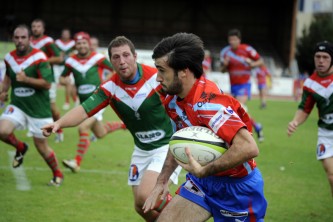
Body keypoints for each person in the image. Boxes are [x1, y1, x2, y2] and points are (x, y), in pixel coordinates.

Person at [42, 36, 182, 221]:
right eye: (116, 57)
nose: (122, 61)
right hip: (141, 150)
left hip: (166, 147)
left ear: (135, 56)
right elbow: (84, 110)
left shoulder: (156, 78)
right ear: (110, 61)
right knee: (141, 207)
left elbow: (183, 94)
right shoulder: (110, 88)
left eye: (126, 55)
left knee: (145, 195)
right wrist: (58, 123)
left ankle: (188, 211)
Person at [142, 33, 267, 221]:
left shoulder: (209, 105)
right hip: (201, 183)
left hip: (237, 188)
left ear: (183, 71)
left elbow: (248, 147)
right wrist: (161, 181)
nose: (158, 78)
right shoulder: (172, 99)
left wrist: (204, 170)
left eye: (162, 70)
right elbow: (180, 139)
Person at [0, 24, 63, 186]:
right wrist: (3, 91)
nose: (20, 41)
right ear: (12, 39)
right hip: (18, 104)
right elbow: (8, 77)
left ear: (29, 39)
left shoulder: (39, 57)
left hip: (39, 109)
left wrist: (26, 79)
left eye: (23, 37)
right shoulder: (9, 58)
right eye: (17, 37)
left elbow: (47, 83)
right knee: (2, 131)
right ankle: (20, 147)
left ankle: (57, 174)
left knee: (41, 146)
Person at [59, 31, 125, 173]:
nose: (81, 45)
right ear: (75, 45)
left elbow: (116, 70)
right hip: (83, 103)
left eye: (84, 43)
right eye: (78, 43)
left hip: (98, 100)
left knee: (82, 128)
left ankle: (76, 162)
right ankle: (122, 125)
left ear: (88, 44)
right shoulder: (71, 61)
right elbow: (62, 79)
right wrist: (66, 81)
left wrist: (107, 85)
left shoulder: (98, 58)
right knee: (100, 133)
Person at [287, 41, 333, 197]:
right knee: (332, 177)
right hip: (326, 134)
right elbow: (305, 109)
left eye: (325, 57)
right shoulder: (310, 83)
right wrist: (295, 122)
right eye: (317, 56)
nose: (321, 61)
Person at [220, 28, 264, 142]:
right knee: (237, 110)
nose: (232, 42)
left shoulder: (247, 49)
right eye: (230, 40)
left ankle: (245, 135)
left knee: (239, 106)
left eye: (234, 39)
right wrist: (225, 65)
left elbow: (261, 61)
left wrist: (252, 63)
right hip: (233, 86)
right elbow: (222, 71)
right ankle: (257, 126)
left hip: (244, 85)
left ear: (239, 40)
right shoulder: (225, 52)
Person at [30, 18, 65, 142]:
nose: (35, 28)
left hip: (47, 78)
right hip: (32, 79)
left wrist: (41, 62)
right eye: (33, 26)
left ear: (43, 29)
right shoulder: (28, 41)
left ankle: (59, 130)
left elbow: (59, 58)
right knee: (33, 104)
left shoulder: (47, 41)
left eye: (38, 26)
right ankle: (34, 129)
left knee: (52, 107)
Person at [54, 28, 78, 110]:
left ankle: (69, 101)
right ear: (62, 34)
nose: (65, 35)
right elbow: (54, 53)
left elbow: (76, 53)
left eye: (67, 33)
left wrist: (72, 54)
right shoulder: (57, 43)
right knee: (64, 83)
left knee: (70, 83)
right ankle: (74, 101)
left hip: (68, 67)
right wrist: (58, 55)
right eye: (64, 33)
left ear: (69, 35)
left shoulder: (73, 43)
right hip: (57, 67)